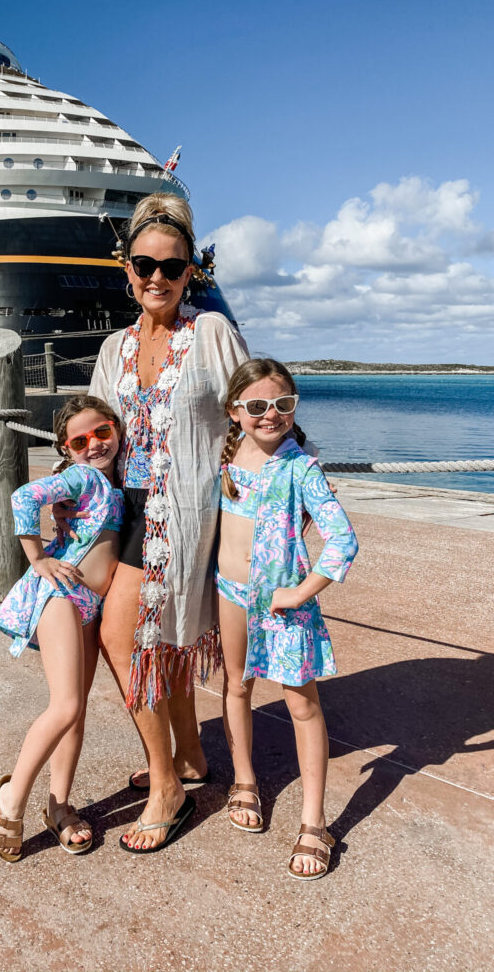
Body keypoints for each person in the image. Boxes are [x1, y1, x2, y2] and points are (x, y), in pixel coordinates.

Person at [85, 192, 250, 852]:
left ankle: (166, 789)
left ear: (191, 274)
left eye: (172, 267)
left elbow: (257, 404)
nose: (156, 278)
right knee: (158, 643)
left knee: (128, 642)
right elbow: (94, 431)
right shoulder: (113, 347)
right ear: (126, 267)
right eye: (144, 264)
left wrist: (283, 492)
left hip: (185, 518)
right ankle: (189, 756)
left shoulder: (209, 333)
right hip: (125, 516)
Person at [217, 358, 358, 880]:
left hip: (281, 602)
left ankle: (313, 821)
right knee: (236, 685)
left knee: (302, 706)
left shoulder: (302, 468)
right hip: (228, 593)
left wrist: (300, 591)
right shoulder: (226, 457)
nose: (269, 414)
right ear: (235, 412)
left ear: (294, 407)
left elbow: (342, 540)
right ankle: (245, 780)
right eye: (256, 406)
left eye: (282, 404)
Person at [0, 396, 125, 861]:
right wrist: (37, 557)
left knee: (76, 710)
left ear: (116, 429)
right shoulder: (83, 475)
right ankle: (13, 800)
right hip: (61, 594)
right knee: (66, 704)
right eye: (80, 441)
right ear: (68, 449)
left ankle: (59, 806)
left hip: (88, 602)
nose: (94, 446)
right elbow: (23, 495)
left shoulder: (114, 482)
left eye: (102, 433)